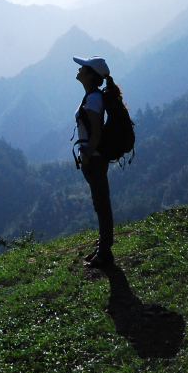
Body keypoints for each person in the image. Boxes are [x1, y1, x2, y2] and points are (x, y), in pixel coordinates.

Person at [73, 55, 115, 268]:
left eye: (83, 67)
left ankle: (104, 252)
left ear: (90, 75)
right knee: (100, 203)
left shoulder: (93, 99)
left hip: (95, 159)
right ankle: (102, 248)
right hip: (95, 159)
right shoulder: (93, 96)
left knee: (102, 204)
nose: (79, 69)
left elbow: (96, 133)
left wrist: (87, 155)